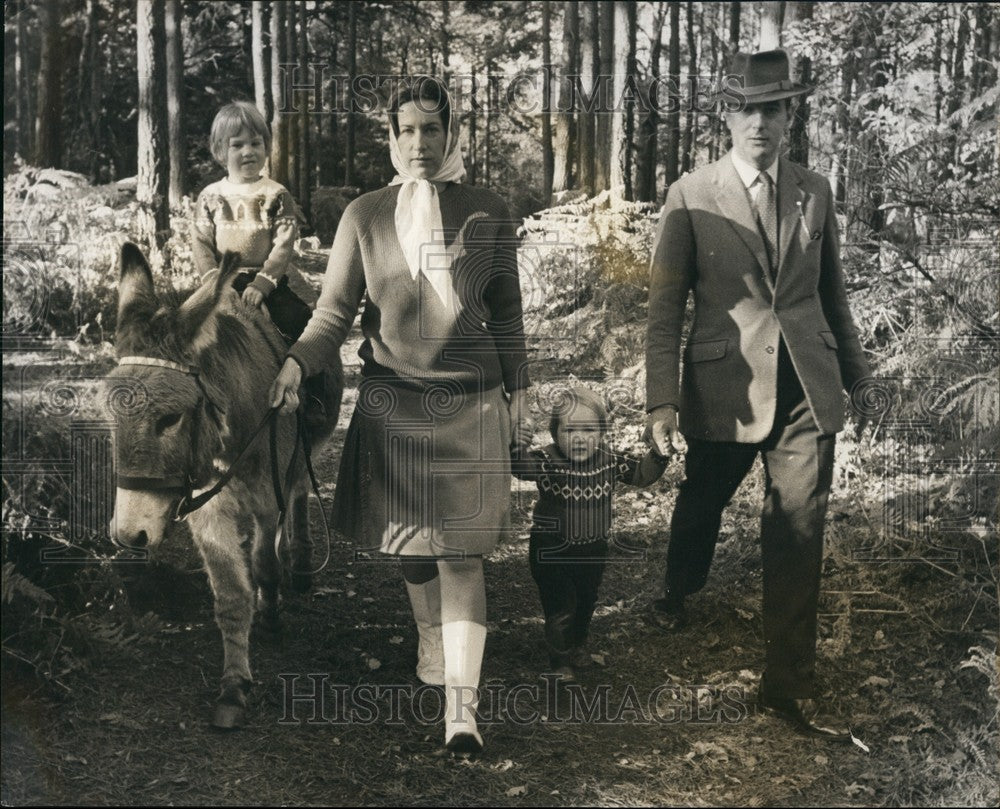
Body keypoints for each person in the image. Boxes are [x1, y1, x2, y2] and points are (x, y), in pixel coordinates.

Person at [268, 77, 532, 756]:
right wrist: (297, 361)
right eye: (407, 129)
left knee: (462, 554)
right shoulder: (364, 215)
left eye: (432, 129)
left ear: (452, 135)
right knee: (413, 548)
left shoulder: (489, 210)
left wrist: (518, 390)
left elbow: (507, 312)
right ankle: (428, 636)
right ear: (391, 137)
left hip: (470, 403)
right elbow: (332, 312)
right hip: (392, 399)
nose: (420, 142)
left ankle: (461, 712)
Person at [644, 50, 872, 741]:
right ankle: (680, 588)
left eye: (771, 109)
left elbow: (831, 293)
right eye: (745, 109)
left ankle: (787, 686)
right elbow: (664, 308)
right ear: (726, 115)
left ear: (790, 115)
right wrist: (661, 401)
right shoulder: (690, 193)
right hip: (725, 388)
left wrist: (858, 376)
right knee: (703, 496)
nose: (758, 123)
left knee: (798, 530)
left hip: (806, 385)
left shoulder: (816, 190)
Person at [512, 385, 669, 683]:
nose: (579, 438)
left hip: (592, 549)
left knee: (586, 600)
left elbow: (641, 474)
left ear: (601, 432)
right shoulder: (549, 459)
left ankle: (577, 643)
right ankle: (559, 661)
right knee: (561, 604)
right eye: (570, 431)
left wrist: (659, 455)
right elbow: (522, 468)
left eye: (588, 430)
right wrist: (517, 446)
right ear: (556, 433)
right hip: (551, 549)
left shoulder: (609, 459)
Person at [191, 100, 324, 421]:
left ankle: (315, 401)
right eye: (237, 145)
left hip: (267, 280)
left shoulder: (276, 194)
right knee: (193, 333)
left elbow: (283, 244)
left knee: (299, 321)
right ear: (221, 151)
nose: (248, 151)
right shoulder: (210, 196)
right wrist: (216, 285)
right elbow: (201, 243)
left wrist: (262, 285)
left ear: (267, 147)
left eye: (256, 142)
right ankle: (197, 405)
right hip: (222, 281)